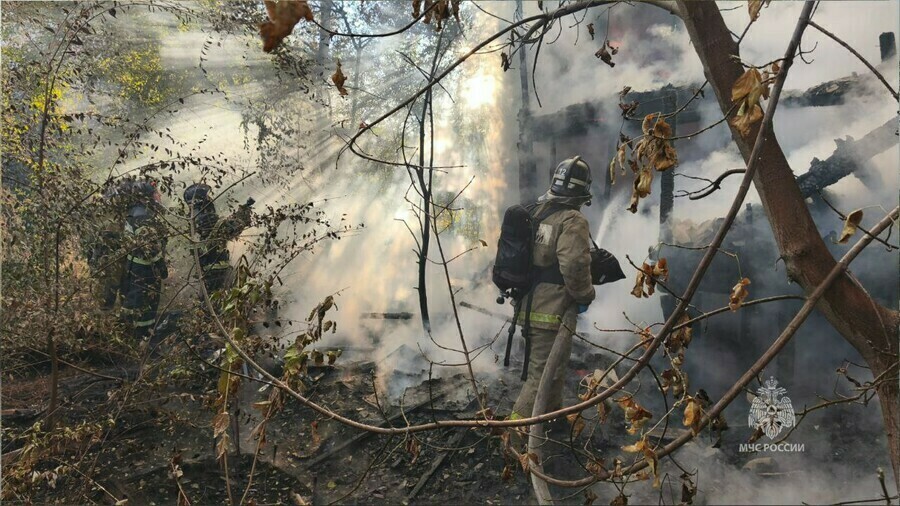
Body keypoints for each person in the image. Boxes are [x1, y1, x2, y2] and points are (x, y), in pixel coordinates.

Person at [510, 156, 596, 421]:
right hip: (551, 309)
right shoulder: (572, 220)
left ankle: (552, 421)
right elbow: (574, 265)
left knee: (554, 368)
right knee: (541, 376)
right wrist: (585, 295)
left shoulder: (537, 212)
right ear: (582, 193)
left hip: (528, 304)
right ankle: (516, 436)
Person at [183, 183, 253, 296]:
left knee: (209, 300)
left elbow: (218, 231)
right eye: (207, 197)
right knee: (219, 303)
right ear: (201, 200)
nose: (210, 199)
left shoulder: (194, 220)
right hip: (217, 272)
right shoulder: (206, 218)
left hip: (207, 271)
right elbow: (229, 229)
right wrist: (243, 215)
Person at [120, 179, 168, 340]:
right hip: (144, 272)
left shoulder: (135, 212)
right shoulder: (143, 216)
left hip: (135, 269)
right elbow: (150, 248)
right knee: (145, 308)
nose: (159, 196)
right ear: (148, 196)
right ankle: (144, 341)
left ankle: (133, 338)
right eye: (156, 193)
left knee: (135, 304)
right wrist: (161, 266)